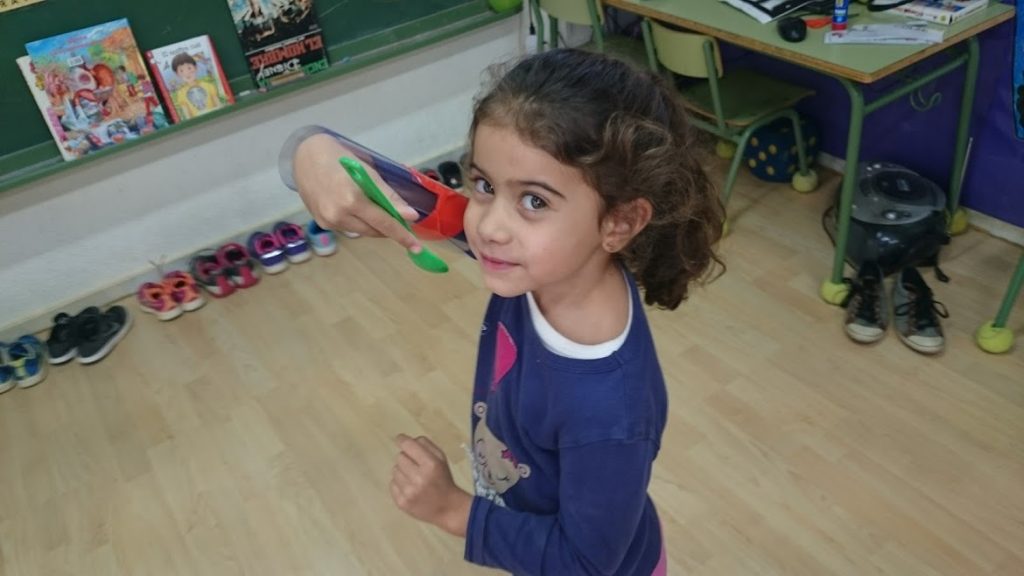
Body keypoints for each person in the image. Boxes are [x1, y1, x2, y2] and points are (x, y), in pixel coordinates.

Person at [279, 48, 724, 575]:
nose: (488, 226)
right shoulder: (545, 262)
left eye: (534, 201)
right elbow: (368, 175)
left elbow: (586, 563)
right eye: (484, 185)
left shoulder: (610, 411)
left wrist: (452, 510)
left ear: (620, 223)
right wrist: (309, 148)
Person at [170, 52, 221, 120]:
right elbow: (187, 115)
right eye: (181, 70)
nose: (187, 73)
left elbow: (218, 105)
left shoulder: (209, 86)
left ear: (195, 67)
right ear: (177, 74)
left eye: (189, 68)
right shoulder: (181, 93)